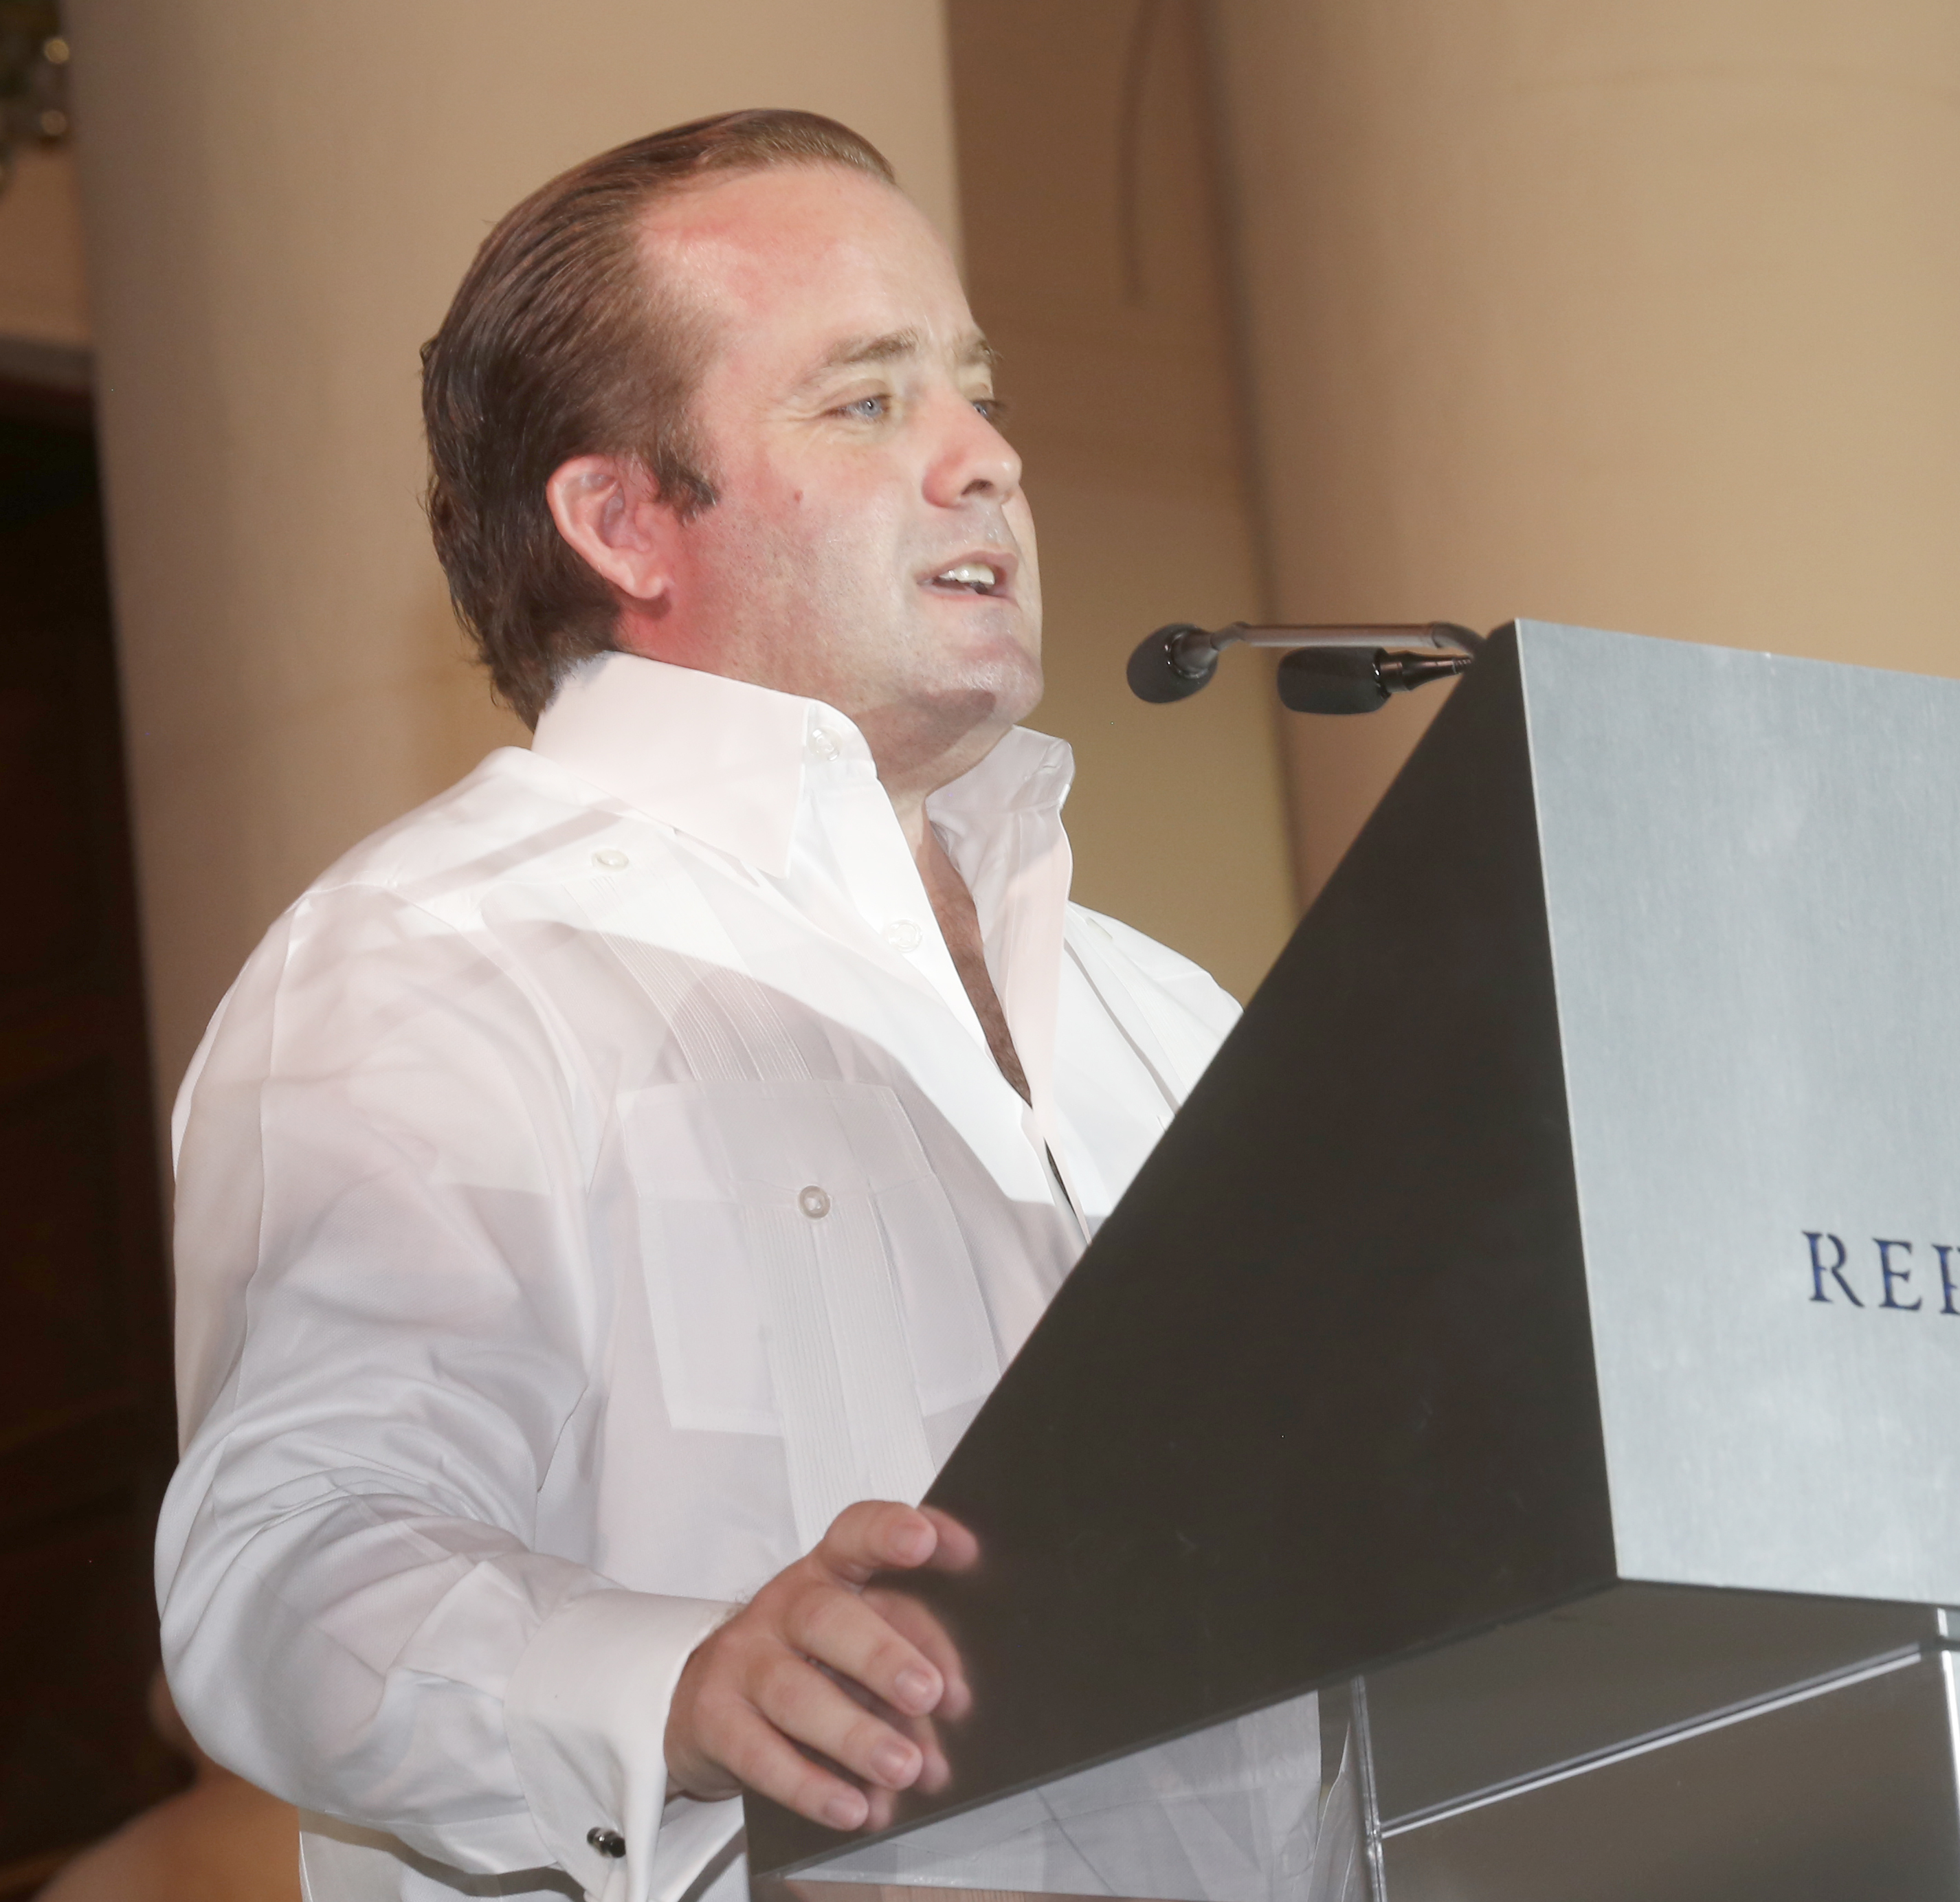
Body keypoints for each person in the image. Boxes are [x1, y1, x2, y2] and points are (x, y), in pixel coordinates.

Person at [154, 111, 1240, 1902]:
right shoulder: (447, 955)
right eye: (867, 401)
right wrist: (669, 1682)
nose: (986, 457)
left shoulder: (1164, 1014)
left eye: (975, 391)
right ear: (625, 522)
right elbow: (292, 1565)